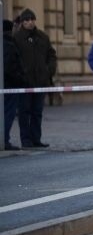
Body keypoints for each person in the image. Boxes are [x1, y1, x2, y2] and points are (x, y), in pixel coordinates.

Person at [14, 8, 57, 149]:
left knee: (37, 112)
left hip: (40, 81)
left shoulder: (42, 37)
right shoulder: (17, 38)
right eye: (26, 20)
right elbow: (14, 59)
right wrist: (20, 75)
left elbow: (51, 55)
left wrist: (49, 70)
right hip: (24, 83)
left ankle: (36, 139)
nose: (30, 22)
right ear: (22, 22)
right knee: (24, 112)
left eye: (32, 19)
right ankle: (25, 140)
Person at [3, 19, 26, 150]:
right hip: (10, 86)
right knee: (8, 113)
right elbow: (11, 67)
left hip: (5, 85)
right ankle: (4, 139)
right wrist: (21, 79)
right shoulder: (9, 44)